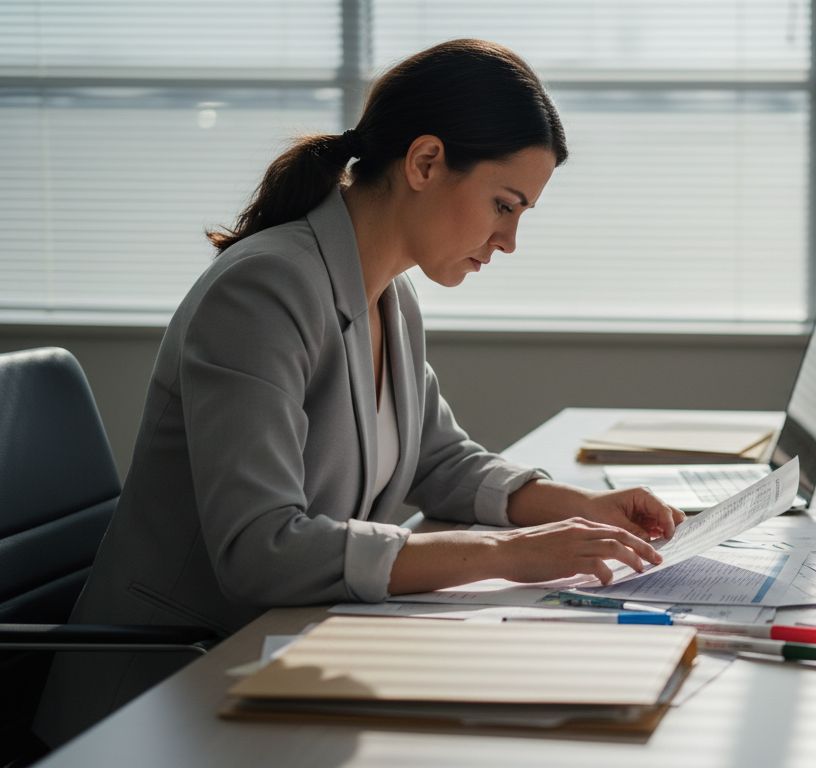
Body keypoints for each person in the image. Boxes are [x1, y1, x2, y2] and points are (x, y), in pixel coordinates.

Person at [34, 39, 684, 748]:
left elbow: (439, 460)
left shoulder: (390, 296)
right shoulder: (263, 291)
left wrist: (581, 507)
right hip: (165, 697)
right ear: (426, 162)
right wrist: (506, 553)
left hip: (283, 658)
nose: (509, 240)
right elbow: (262, 549)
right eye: (504, 204)